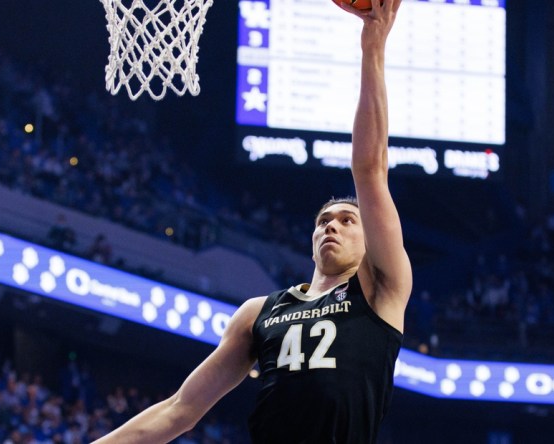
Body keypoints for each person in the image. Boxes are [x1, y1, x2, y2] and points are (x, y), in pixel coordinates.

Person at [93, 0, 411, 442]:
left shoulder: (380, 290)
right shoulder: (258, 313)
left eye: (346, 219)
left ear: (369, 240)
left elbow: (370, 169)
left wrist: (372, 47)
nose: (331, 226)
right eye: (323, 221)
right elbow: (179, 410)